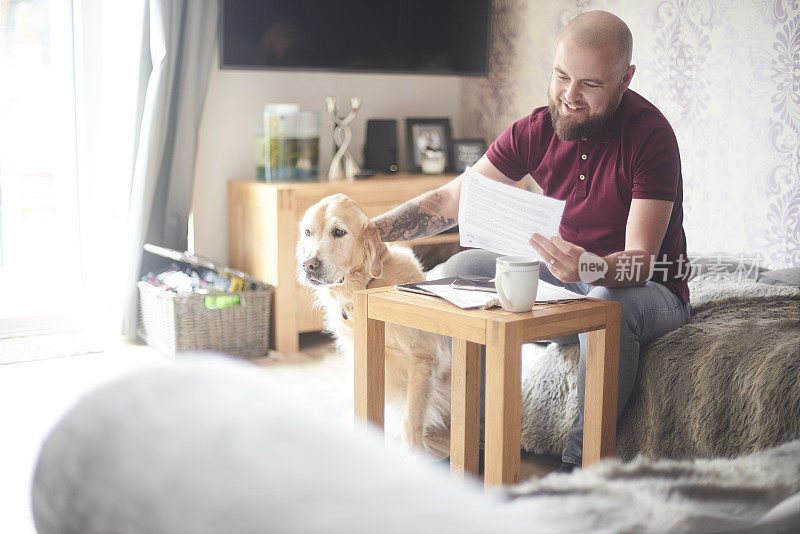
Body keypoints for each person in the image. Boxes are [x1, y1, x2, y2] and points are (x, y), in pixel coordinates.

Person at [372, 10, 692, 471]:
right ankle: (475, 447)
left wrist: (591, 267)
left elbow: (642, 262)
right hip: (565, 282)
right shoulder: (538, 128)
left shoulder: (651, 137)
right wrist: (366, 233)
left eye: (590, 85)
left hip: (649, 290)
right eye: (561, 75)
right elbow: (448, 202)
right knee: (456, 272)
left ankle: (581, 467)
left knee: (608, 300)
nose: (570, 96)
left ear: (626, 79)